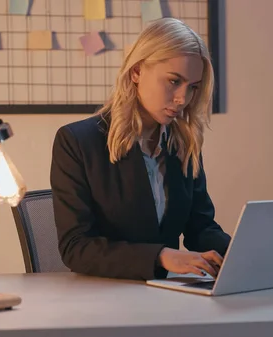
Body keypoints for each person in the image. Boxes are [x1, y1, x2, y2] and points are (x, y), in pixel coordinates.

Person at [50, 17, 231, 281]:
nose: (183, 99)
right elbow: (75, 247)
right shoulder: (77, 142)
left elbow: (200, 228)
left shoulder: (182, 144)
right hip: (103, 295)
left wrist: (243, 252)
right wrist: (161, 256)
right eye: (173, 81)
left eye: (192, 87)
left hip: (166, 293)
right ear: (136, 72)